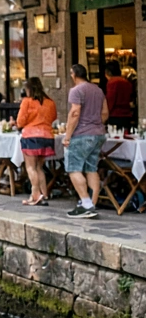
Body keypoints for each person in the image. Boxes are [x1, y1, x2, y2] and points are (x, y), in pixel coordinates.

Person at [64, 63, 108, 219]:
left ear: (74, 74)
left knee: (73, 168)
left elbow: (75, 113)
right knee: (91, 168)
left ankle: (86, 203)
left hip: (81, 134)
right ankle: (91, 204)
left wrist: (68, 135)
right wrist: (96, 125)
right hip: (99, 134)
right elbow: (105, 114)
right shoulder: (98, 90)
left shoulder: (76, 90)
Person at [16, 77, 58, 208]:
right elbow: (53, 117)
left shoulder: (27, 102)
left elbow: (20, 121)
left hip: (31, 136)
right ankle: (44, 195)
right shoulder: (50, 102)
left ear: (28, 89)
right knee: (39, 168)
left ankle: (35, 195)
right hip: (47, 136)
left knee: (30, 167)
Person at [104, 61, 134, 131]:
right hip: (126, 114)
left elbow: (110, 100)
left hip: (115, 115)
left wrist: (105, 114)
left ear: (107, 72)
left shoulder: (112, 82)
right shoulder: (126, 82)